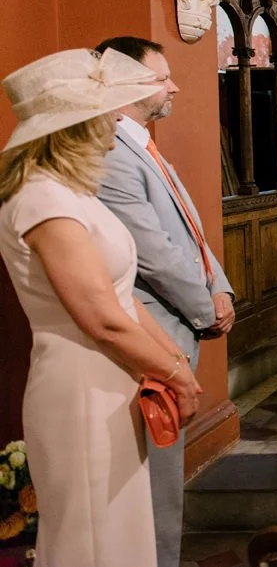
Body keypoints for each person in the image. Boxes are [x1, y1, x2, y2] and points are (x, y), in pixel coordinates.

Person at [0, 49, 203, 567]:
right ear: (75, 126)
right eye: (107, 111)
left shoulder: (76, 195)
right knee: (91, 540)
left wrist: (172, 364)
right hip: (80, 389)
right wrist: (177, 375)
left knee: (121, 534)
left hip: (112, 382)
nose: (118, 119)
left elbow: (124, 298)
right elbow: (102, 318)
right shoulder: (41, 199)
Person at [93, 36, 236, 567]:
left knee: (164, 471)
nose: (174, 86)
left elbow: (188, 228)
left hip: (177, 318)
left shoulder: (142, 142)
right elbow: (151, 252)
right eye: (162, 77)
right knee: (151, 476)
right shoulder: (112, 153)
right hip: (153, 328)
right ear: (130, 85)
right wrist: (205, 307)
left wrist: (219, 285)